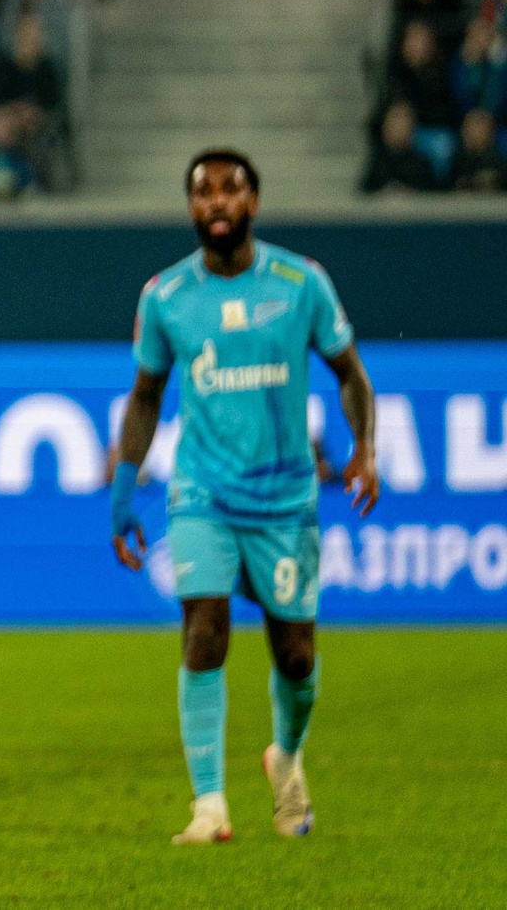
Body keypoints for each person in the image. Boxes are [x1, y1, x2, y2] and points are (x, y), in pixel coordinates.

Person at [111, 150, 378, 844]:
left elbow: (351, 373)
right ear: (191, 208)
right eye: (203, 191)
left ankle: (285, 757)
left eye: (231, 189)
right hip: (202, 493)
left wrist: (364, 449)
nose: (218, 201)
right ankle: (209, 806)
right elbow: (145, 395)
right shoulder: (166, 295)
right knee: (205, 629)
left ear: (255, 202)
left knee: (295, 656)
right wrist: (121, 488)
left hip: (286, 499)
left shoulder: (300, 282)